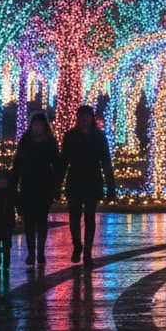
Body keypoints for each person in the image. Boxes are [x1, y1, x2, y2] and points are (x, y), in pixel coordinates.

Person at [59, 104, 116, 265]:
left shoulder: (99, 137)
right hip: (75, 180)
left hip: (92, 181)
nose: (85, 120)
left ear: (91, 119)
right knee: (75, 216)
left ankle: (88, 252)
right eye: (82, 117)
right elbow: (64, 161)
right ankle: (77, 245)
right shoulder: (70, 136)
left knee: (90, 217)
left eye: (88, 117)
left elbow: (106, 162)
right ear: (78, 119)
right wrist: (57, 185)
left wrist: (111, 186)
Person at [11, 111, 61, 266]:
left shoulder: (50, 142)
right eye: (35, 124)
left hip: (44, 187)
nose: (37, 127)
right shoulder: (25, 141)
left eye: (40, 125)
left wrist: (55, 186)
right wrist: (14, 184)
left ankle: (40, 252)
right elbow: (18, 164)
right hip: (28, 186)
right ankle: (31, 252)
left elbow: (57, 166)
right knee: (29, 221)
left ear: (44, 126)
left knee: (41, 220)